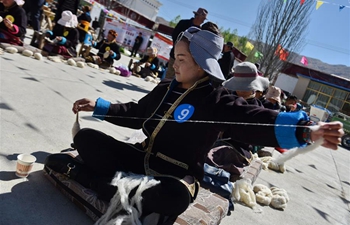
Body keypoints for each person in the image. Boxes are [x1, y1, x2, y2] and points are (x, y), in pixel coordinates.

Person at [44, 25, 343, 223]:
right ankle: (124, 190)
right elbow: (137, 112)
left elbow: (252, 119)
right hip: (142, 159)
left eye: (182, 59)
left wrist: (306, 130)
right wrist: (99, 106)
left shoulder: (218, 99)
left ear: (201, 64)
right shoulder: (165, 89)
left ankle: (85, 177)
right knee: (88, 140)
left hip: (177, 177)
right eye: (175, 57)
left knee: (174, 197)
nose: (174, 64)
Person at [165, 7, 208, 79]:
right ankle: (163, 90)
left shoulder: (200, 31)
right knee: (169, 76)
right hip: (175, 56)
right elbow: (175, 36)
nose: (203, 21)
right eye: (203, 18)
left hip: (188, 60)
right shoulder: (183, 23)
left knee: (181, 79)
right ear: (197, 16)